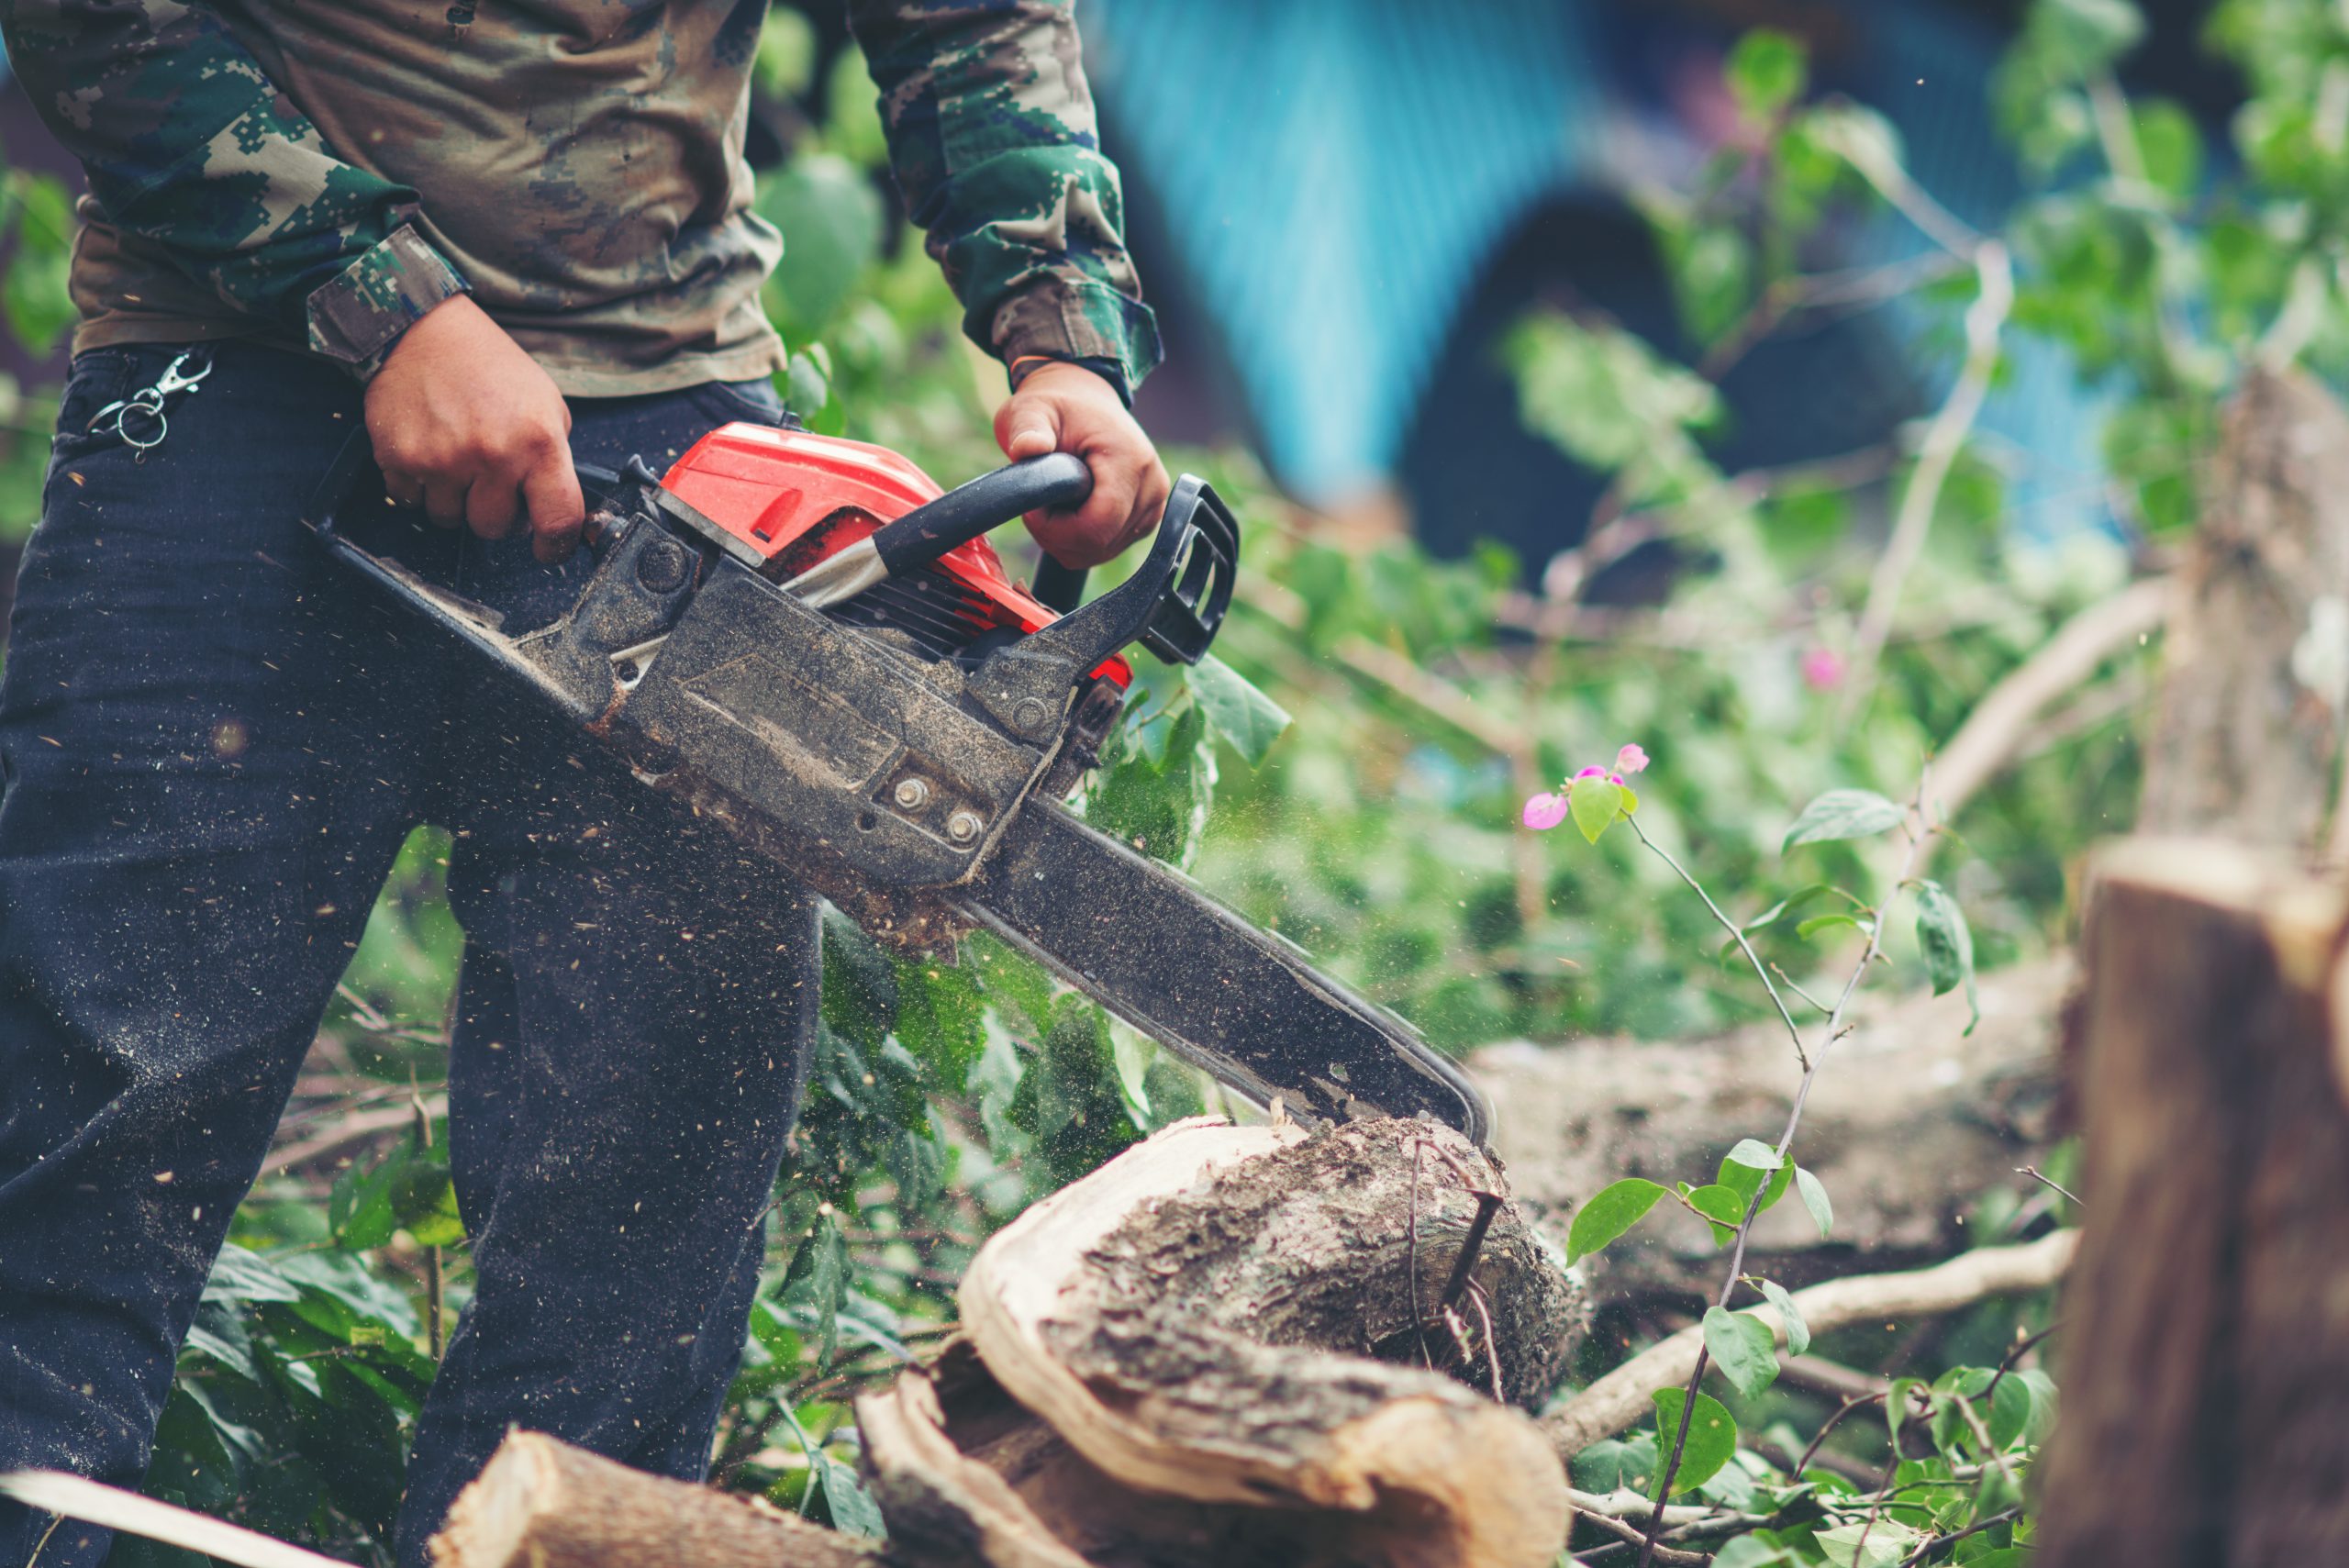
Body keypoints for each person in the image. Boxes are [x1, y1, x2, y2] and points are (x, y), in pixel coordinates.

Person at [0, 3, 1167, 1563]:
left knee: (641, 1222)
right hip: (230, 390)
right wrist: (385, 303)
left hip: (679, 430)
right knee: (82, 1159)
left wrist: (1063, 331)